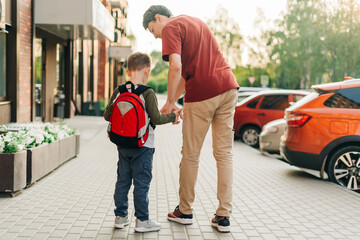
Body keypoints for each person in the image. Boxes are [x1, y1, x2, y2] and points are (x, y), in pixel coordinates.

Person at [143, 5, 239, 233]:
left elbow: (175, 67)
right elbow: (186, 75)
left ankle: (185, 211)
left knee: (190, 155)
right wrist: (174, 102)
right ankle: (223, 216)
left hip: (203, 94)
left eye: (152, 29)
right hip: (228, 88)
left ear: (159, 18)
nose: (156, 35)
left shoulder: (171, 28)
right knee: (224, 153)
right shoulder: (196, 22)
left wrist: (167, 104)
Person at [104, 52, 181, 233]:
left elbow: (107, 116)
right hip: (143, 146)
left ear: (128, 71)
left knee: (122, 181)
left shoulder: (119, 90)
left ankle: (120, 217)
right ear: (147, 71)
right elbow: (156, 118)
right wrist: (173, 116)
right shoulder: (147, 93)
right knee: (141, 183)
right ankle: (142, 220)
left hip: (122, 145)